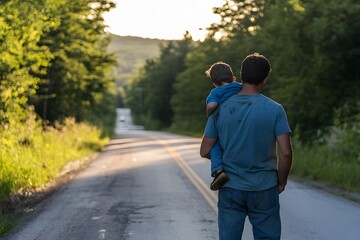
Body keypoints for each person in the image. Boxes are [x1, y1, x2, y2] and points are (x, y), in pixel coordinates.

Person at [200, 53, 293, 240]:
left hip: (231, 187)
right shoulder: (275, 109)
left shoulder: (221, 107)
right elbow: (285, 153)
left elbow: (205, 150)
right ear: (265, 78)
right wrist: (281, 181)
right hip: (265, 188)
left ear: (241, 75)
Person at [204, 62, 242, 190]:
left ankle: (218, 170)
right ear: (233, 77)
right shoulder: (239, 87)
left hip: (224, 122)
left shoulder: (215, 92)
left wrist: (209, 114)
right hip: (239, 120)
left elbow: (212, 105)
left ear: (214, 82)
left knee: (214, 145)